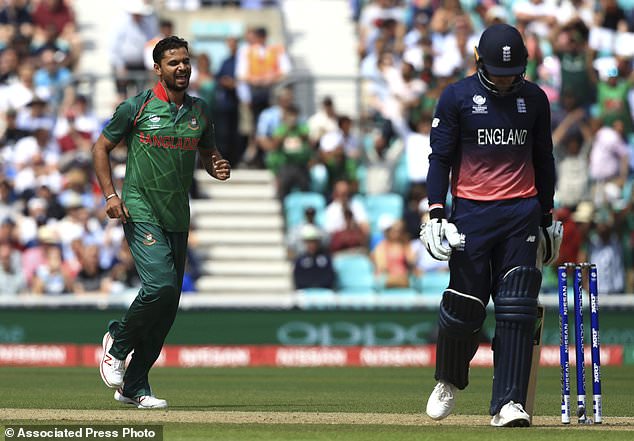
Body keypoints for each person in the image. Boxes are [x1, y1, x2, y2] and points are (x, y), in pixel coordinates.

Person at [419, 24, 562, 427]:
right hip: (472, 214)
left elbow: (544, 158)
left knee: (517, 307)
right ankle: (448, 379)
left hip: (521, 212)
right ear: (478, 61)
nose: (505, 79)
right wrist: (435, 214)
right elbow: (439, 159)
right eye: (498, 72)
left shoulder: (533, 98)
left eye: (513, 72)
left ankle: (509, 403)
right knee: (465, 306)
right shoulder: (457, 97)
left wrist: (548, 216)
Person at [93, 36, 231, 409]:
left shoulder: (200, 111)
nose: (182, 67)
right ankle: (117, 342)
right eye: (174, 63)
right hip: (139, 207)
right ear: (158, 69)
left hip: (177, 215)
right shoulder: (137, 107)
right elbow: (100, 147)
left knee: (168, 307)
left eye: (185, 61)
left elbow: (209, 152)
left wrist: (216, 165)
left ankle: (134, 386)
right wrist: (110, 195)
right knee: (161, 286)